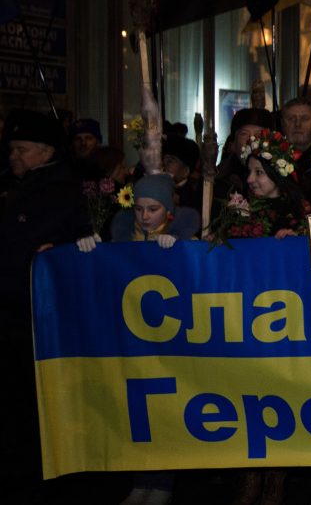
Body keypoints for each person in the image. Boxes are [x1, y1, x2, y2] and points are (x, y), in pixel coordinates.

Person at [77, 173, 200, 505]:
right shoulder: (120, 237)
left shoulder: (178, 236)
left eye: (154, 209)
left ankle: (162, 484)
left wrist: (180, 246)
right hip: (132, 340)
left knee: (166, 411)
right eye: (140, 209)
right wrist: (90, 250)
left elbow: (197, 275)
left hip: (168, 339)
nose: (145, 216)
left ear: (169, 211)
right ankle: (141, 480)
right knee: (139, 412)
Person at [0, 111, 91, 501]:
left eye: (22, 149)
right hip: (9, 313)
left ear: (45, 152)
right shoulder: (11, 188)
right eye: (11, 150)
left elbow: (86, 247)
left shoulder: (67, 193)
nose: (13, 157)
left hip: (43, 320)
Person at [163, 134, 202, 211]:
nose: (163, 164)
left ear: (185, 171)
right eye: (163, 159)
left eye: (170, 161)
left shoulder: (190, 198)